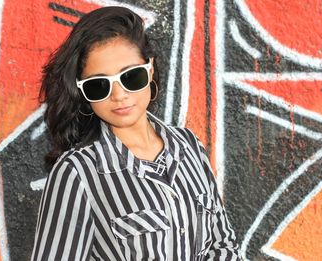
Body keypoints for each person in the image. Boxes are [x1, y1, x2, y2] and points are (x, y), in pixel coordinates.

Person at [31, 6, 241, 261]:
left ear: (149, 69)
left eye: (130, 76)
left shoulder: (189, 147)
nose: (119, 95)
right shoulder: (77, 173)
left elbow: (223, 245)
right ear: (83, 93)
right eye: (99, 84)